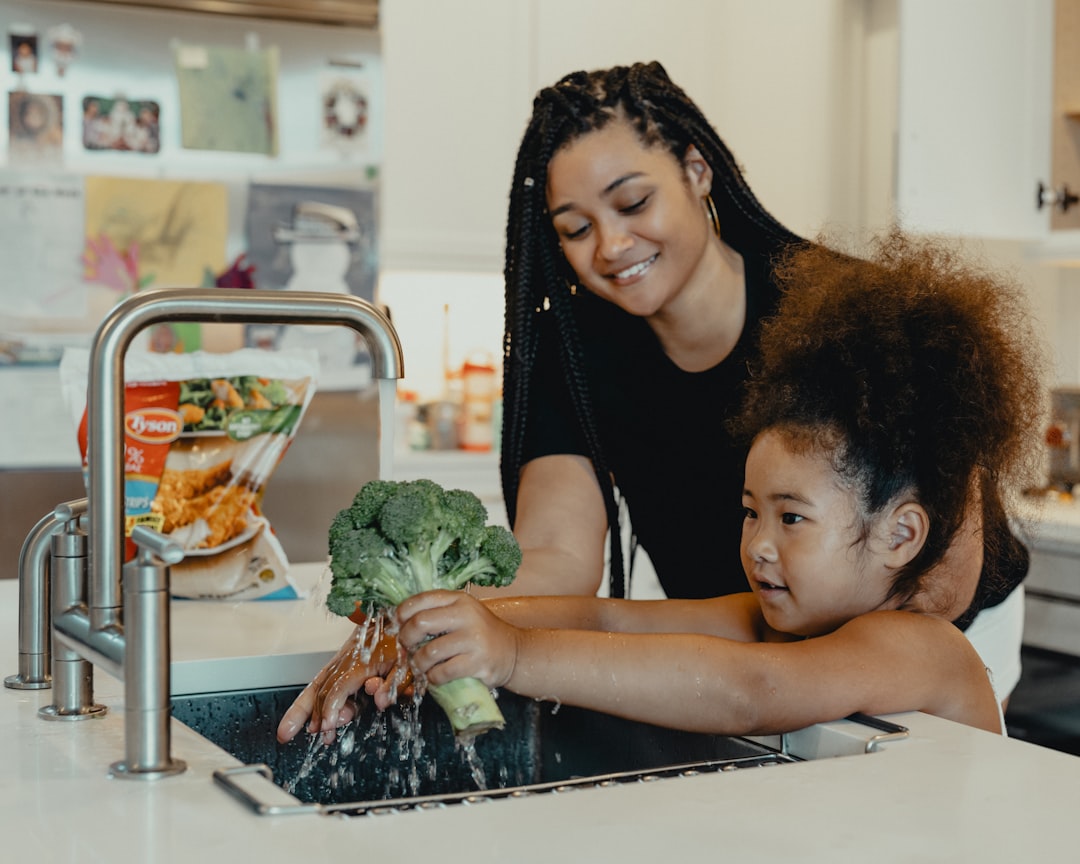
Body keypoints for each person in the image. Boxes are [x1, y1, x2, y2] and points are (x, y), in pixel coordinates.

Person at [277, 62, 1035, 743]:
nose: (610, 246)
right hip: (770, 622)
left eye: (633, 201)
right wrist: (432, 622)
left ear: (697, 171)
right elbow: (574, 576)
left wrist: (510, 649)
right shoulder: (578, 354)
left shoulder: (842, 318)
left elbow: (780, 675)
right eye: (575, 228)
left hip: (908, 624)